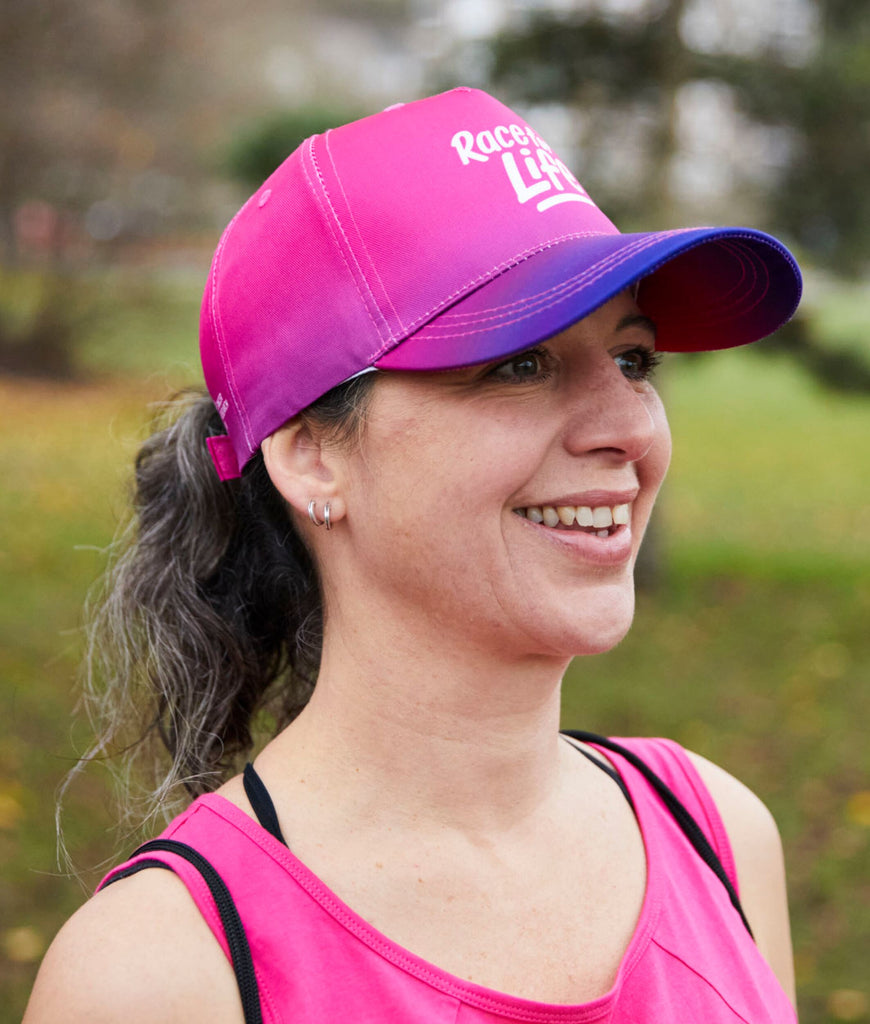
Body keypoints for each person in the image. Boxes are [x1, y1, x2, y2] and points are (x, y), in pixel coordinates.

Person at [25, 87, 802, 1023]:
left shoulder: (717, 837)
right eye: (520, 361)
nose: (629, 426)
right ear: (310, 450)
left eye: (634, 359)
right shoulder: (162, 975)